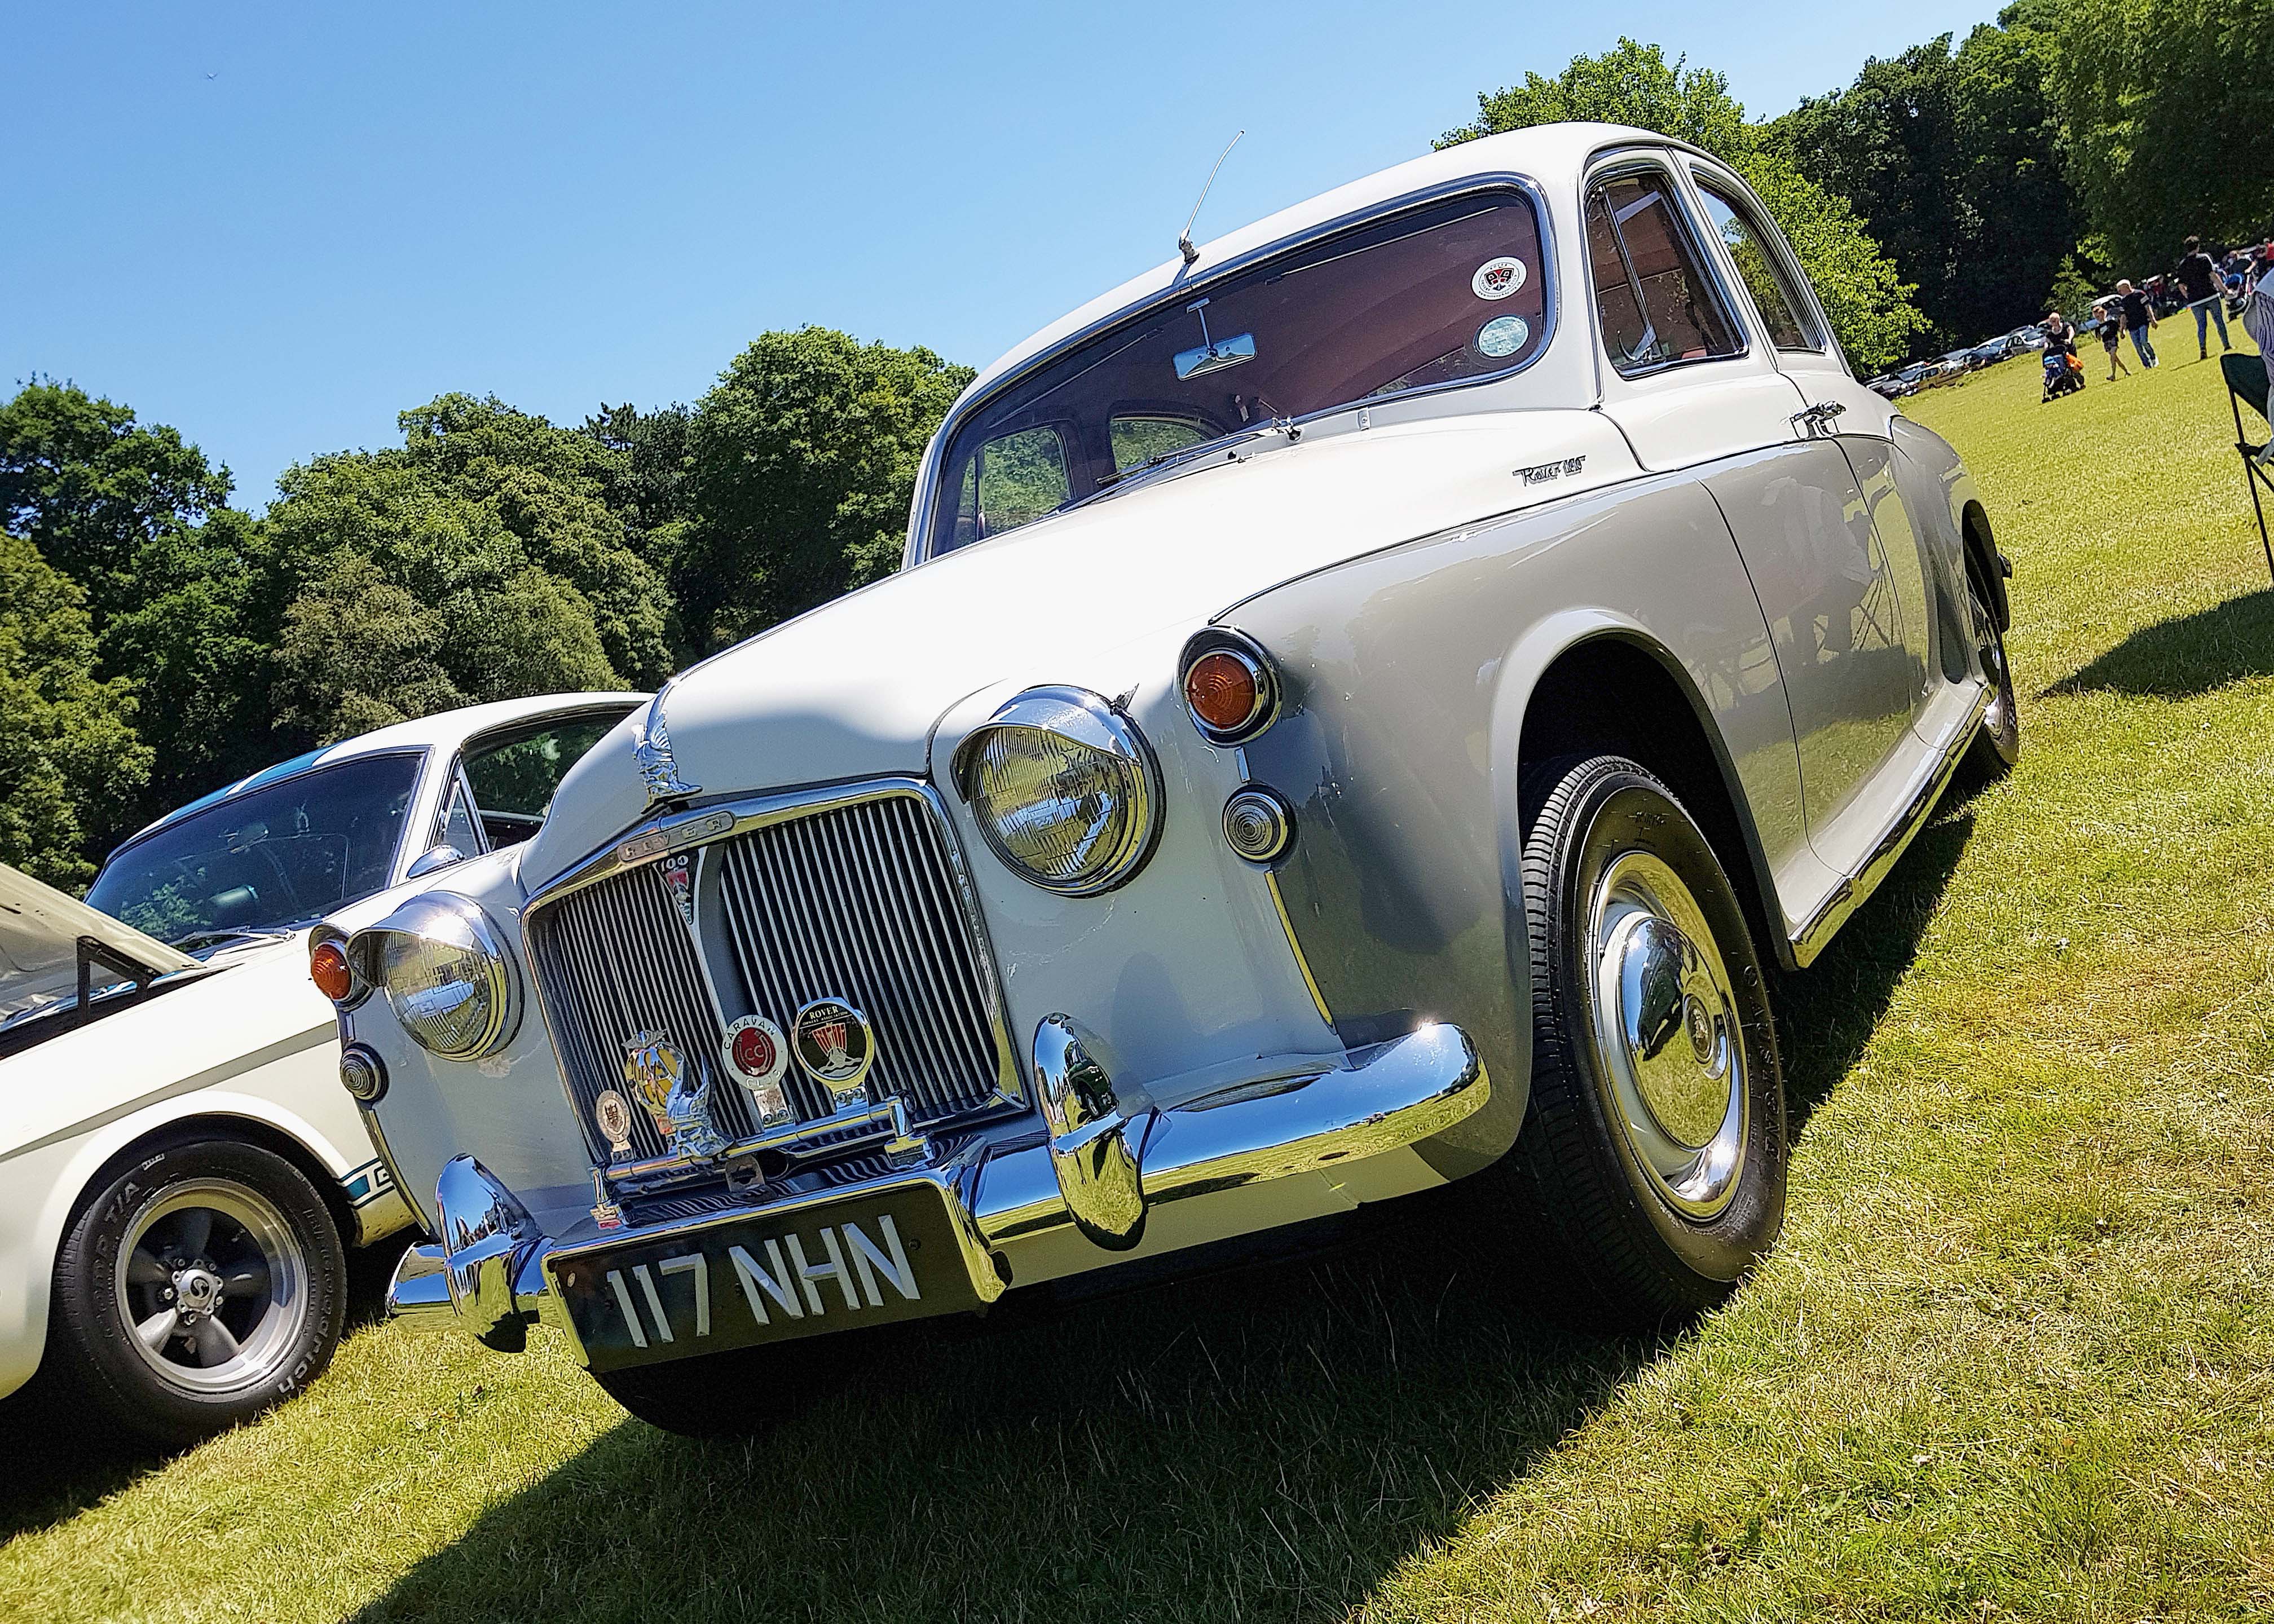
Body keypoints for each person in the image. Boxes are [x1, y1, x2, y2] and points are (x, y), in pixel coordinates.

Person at [2176, 235, 2233, 359]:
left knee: (2201, 326)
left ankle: (2203, 349)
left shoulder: (2183, 265)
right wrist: (2225, 290)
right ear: (2198, 246)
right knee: (2219, 321)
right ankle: (2227, 345)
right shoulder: (2204, 258)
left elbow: (2181, 285)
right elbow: (2213, 276)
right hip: (2210, 295)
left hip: (2195, 300)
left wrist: (2188, 296)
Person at [2116, 279, 2158, 368]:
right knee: (2138, 347)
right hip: (2132, 327)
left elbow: (2148, 307)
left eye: (2120, 290)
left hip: (2143, 322)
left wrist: (2153, 320)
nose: (2119, 292)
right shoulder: (2122, 302)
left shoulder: (2140, 294)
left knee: (2144, 341)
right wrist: (2122, 329)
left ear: (2126, 287)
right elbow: (2123, 316)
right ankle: (2147, 365)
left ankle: (2154, 358)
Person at [2101, 301, 2130, 379]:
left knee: (2113, 357)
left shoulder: (2111, 322)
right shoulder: (2099, 326)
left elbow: (2118, 328)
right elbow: (2099, 336)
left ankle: (2113, 375)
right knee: (2116, 359)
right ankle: (2126, 371)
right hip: (2107, 344)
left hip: (2113, 341)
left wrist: (2122, 332)